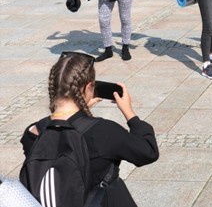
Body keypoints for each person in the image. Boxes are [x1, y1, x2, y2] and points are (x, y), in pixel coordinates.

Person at [21, 52, 159, 206]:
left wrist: (82, 110)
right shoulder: (104, 132)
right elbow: (148, 151)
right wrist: (129, 113)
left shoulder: (33, 133)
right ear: (88, 87)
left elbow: (63, 130)